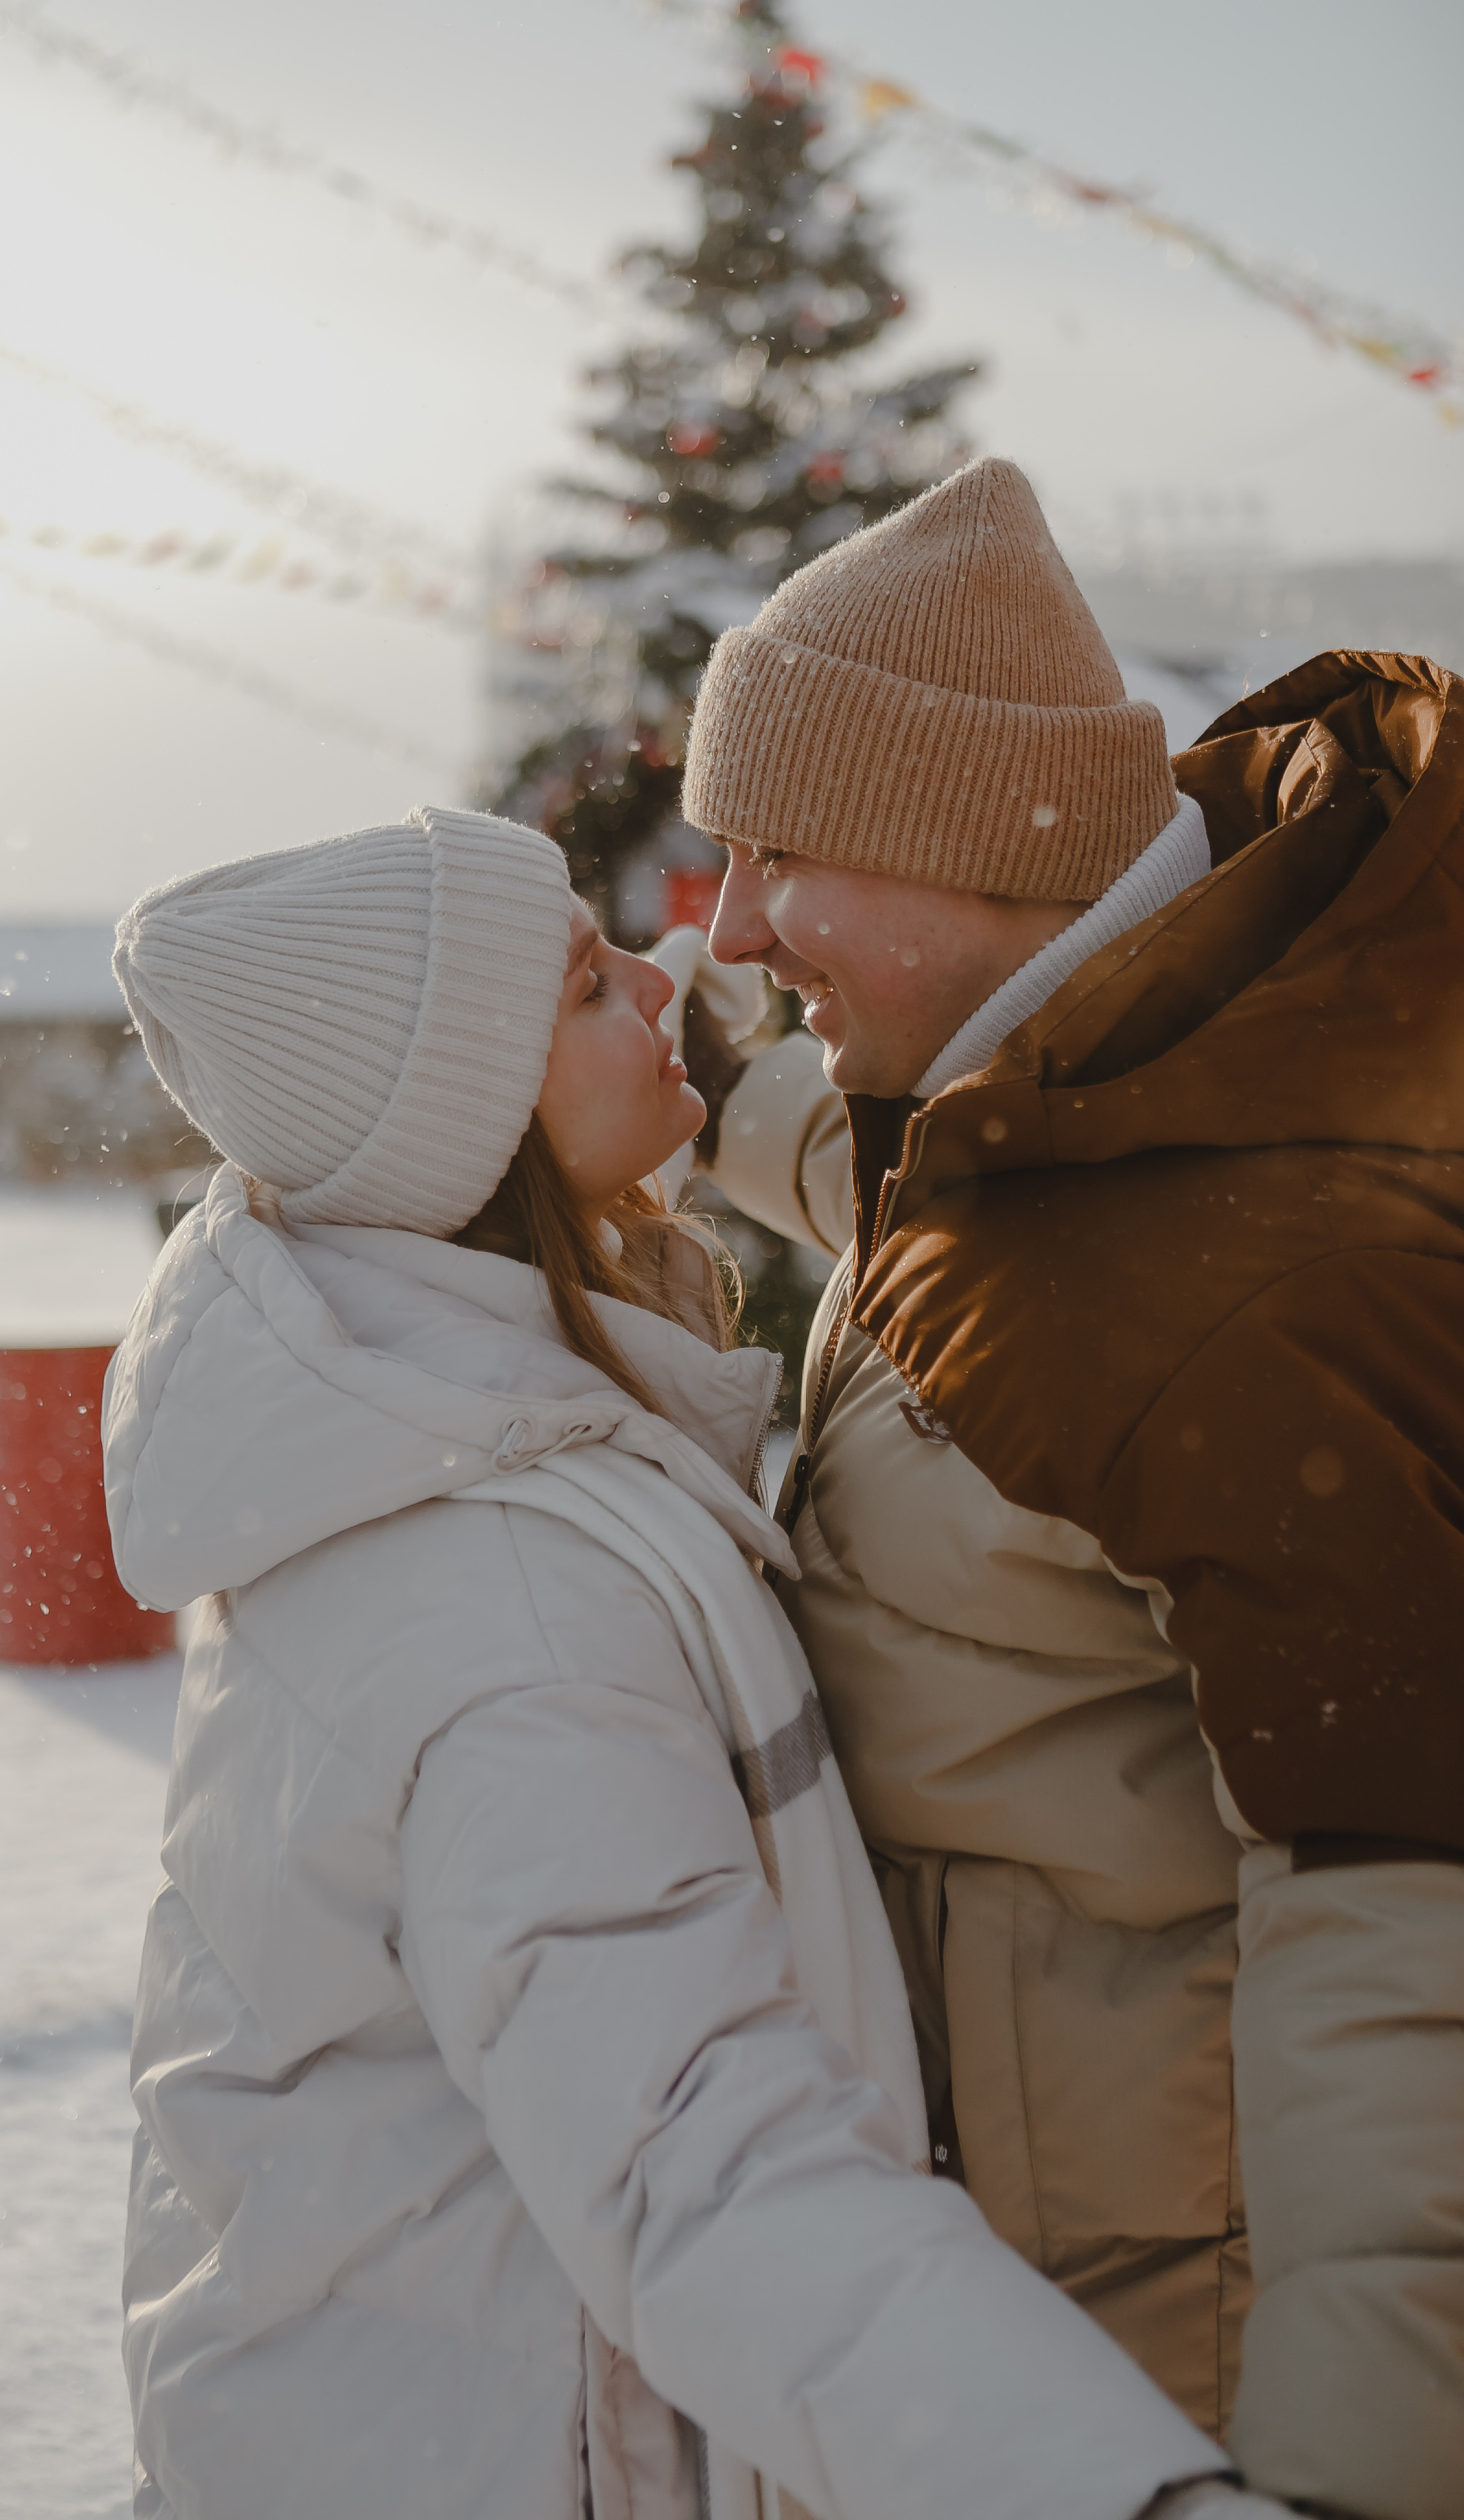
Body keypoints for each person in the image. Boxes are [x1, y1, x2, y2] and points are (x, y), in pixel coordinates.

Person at [101, 805, 1270, 2520]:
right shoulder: (507, 1602)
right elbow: (711, 2172)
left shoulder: (447, 1425)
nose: (669, 973)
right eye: (585, 984)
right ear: (466, 1131)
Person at [669, 454, 1464, 2520]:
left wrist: (1348, 2477)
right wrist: (680, 1107)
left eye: (775, 855)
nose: (732, 927)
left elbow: (1403, 1939)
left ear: (965, 845)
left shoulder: (1241, 1290)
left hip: (1188, 2345)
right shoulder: (1071, 1102)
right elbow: (962, 1262)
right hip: (1035, 2287)